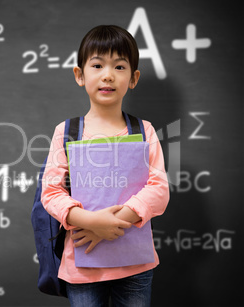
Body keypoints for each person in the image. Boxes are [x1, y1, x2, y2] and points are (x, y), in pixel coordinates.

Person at [41, 25, 169, 307]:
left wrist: (111, 222)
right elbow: (51, 192)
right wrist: (90, 221)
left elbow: (158, 190)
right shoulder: (67, 132)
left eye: (119, 66)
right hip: (82, 265)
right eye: (97, 65)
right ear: (79, 75)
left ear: (133, 78)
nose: (108, 75)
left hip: (135, 266)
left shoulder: (143, 130)